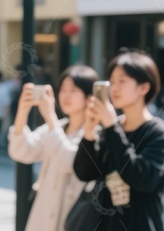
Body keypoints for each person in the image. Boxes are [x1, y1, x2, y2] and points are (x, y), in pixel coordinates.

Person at [74, 51, 164, 231]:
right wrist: (88, 132)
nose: (115, 87)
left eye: (123, 81)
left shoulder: (157, 132)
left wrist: (112, 126)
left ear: (144, 87)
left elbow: (141, 179)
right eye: (112, 80)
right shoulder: (111, 128)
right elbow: (84, 173)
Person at [8, 65, 98, 231]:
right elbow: (20, 151)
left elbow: (70, 162)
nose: (66, 96)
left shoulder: (94, 134)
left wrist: (50, 117)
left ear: (89, 96)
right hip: (43, 216)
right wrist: (22, 111)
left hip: (73, 217)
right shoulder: (57, 127)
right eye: (63, 89)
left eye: (73, 90)